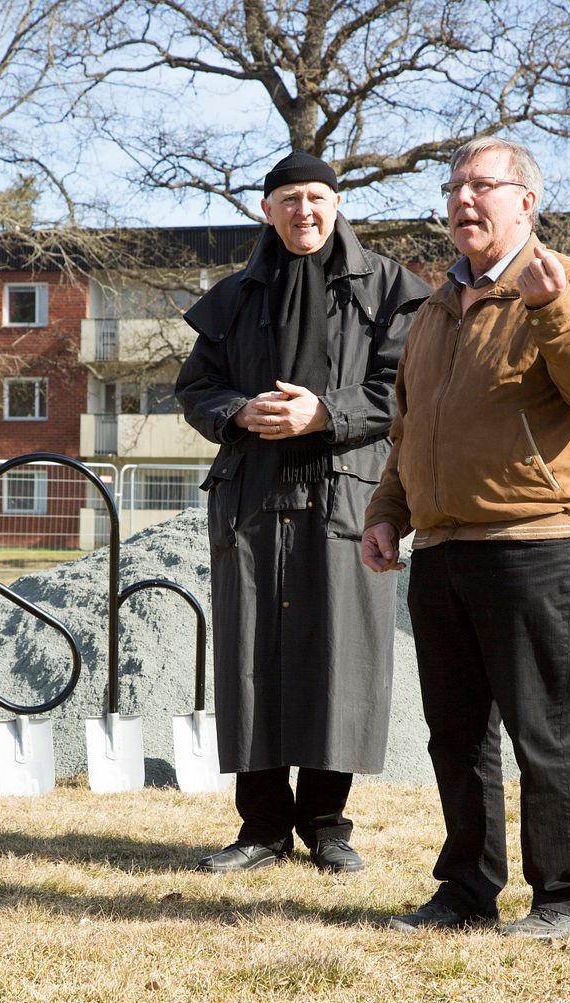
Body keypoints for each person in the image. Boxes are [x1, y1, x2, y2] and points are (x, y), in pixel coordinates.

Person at [362, 137, 570, 937]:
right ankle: (466, 892)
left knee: (543, 731)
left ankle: (564, 897)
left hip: (534, 543)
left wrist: (551, 310)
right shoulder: (434, 308)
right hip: (441, 552)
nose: (461, 200)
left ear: (526, 201)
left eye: (481, 185)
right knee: (456, 738)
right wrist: (387, 512)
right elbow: (408, 427)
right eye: (452, 188)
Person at [176, 150, 431, 873]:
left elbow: (402, 389)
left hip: (344, 496)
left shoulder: (388, 288)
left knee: (337, 659)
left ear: (338, 201)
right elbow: (195, 388)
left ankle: (327, 826)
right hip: (251, 497)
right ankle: (260, 829)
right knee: (251, 655)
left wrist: (326, 411)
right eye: (289, 199)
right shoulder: (234, 295)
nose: (304, 211)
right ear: (266, 210)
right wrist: (237, 410)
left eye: (317, 196)